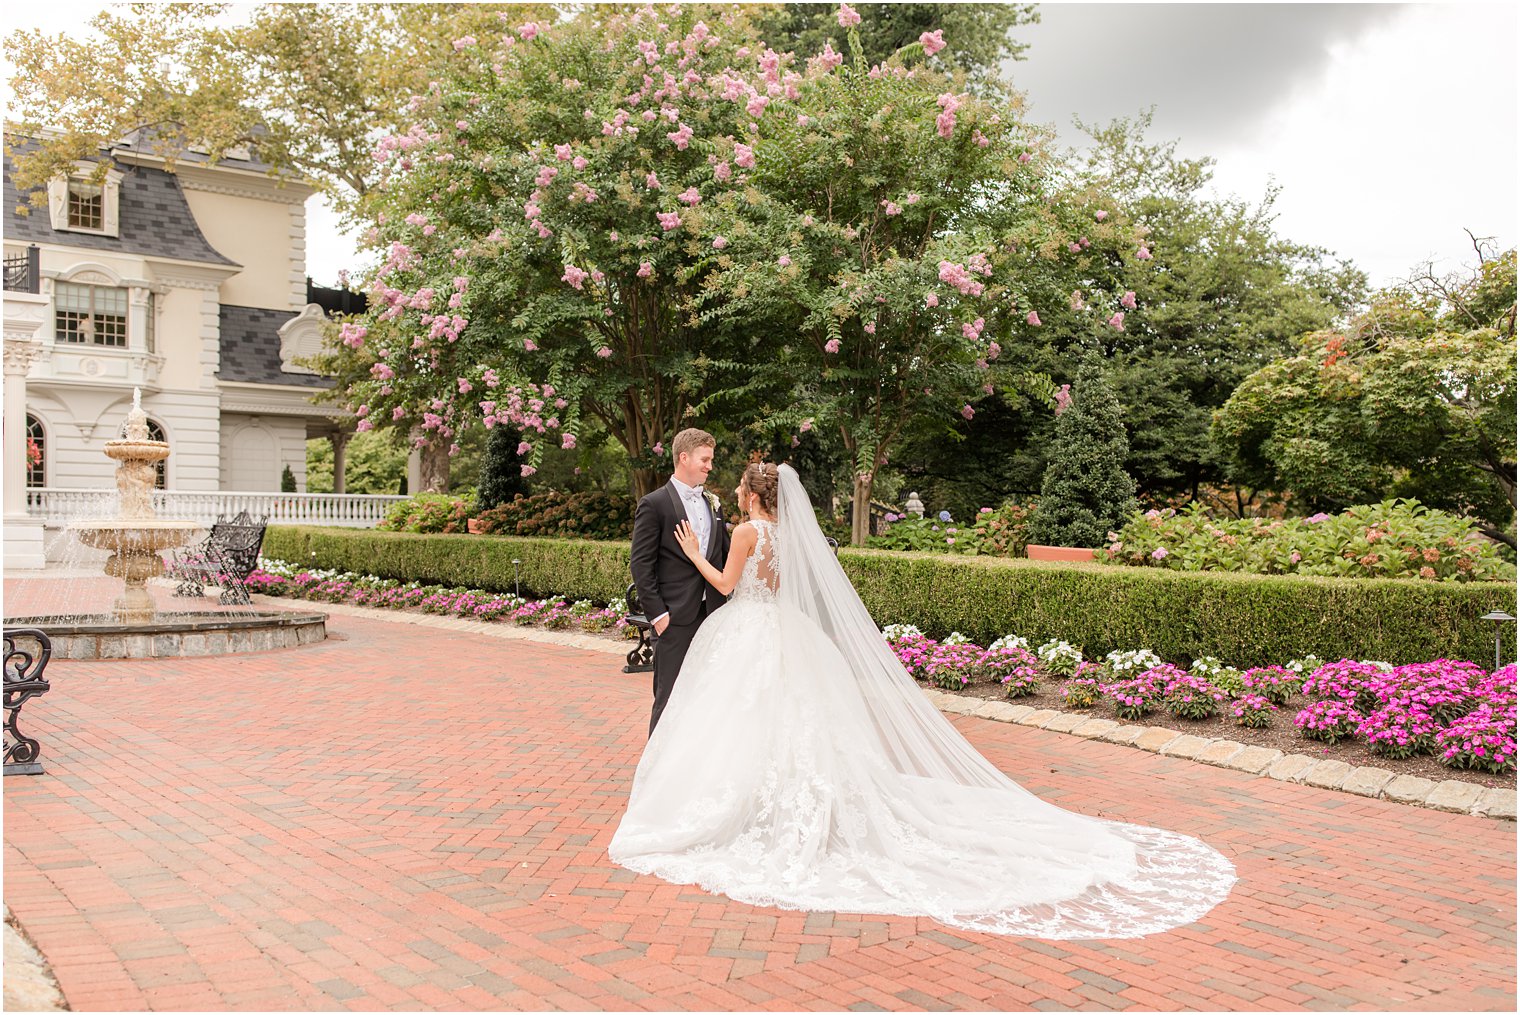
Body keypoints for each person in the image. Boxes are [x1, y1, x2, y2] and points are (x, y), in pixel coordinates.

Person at [609, 462, 1236, 939]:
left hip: (745, 630)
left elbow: (724, 583)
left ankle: (742, 808)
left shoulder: (746, 531)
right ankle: (780, 803)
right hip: (785, 634)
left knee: (737, 721)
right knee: (793, 722)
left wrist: (694, 553)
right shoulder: (792, 538)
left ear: (750, 496)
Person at [629, 428, 732, 736]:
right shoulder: (654, 504)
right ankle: (656, 777)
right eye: (705, 459)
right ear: (684, 457)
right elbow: (641, 564)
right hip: (673, 619)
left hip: (712, 615)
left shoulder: (714, 504)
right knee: (668, 697)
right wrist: (659, 616)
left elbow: (724, 557)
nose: (709, 466)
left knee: (706, 695)